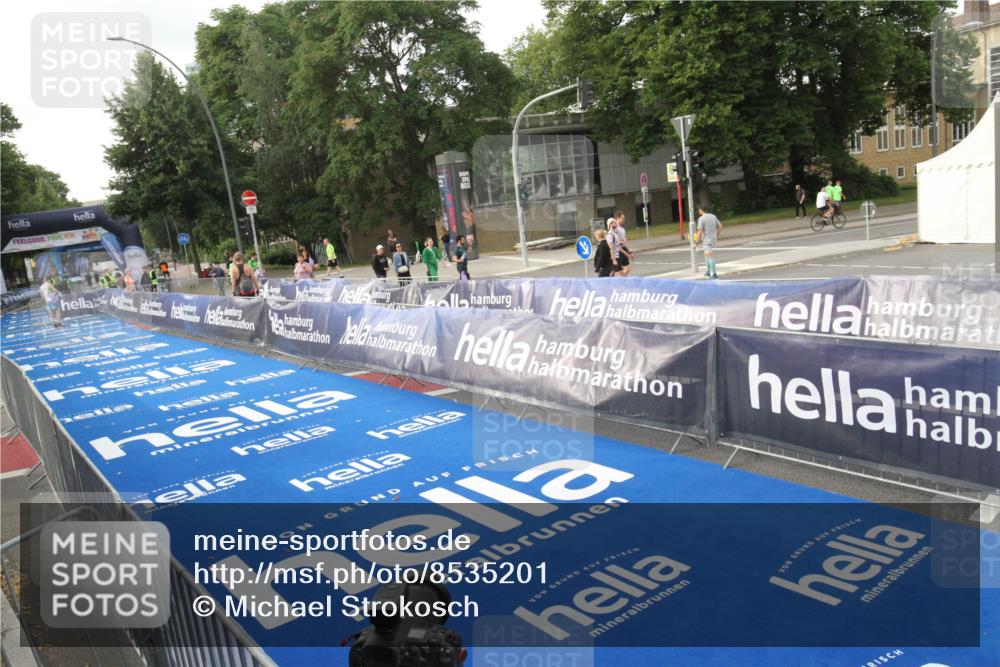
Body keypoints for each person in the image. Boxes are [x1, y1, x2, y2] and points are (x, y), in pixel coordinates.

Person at [695, 205, 722, 279]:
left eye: (699, 210)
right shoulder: (713, 216)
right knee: (706, 255)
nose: (698, 211)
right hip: (713, 239)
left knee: (710, 256)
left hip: (707, 240)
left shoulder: (701, 219)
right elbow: (720, 226)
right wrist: (717, 235)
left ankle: (714, 274)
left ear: (701, 210)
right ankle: (708, 271)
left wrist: (696, 242)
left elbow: (699, 231)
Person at [613, 210, 633, 276]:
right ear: (617, 218)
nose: (624, 220)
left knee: (627, 268)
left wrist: (629, 252)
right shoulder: (615, 229)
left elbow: (624, 242)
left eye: (624, 218)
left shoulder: (622, 229)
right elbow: (614, 242)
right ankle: (620, 282)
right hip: (617, 251)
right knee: (617, 271)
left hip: (622, 249)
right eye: (622, 218)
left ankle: (621, 282)